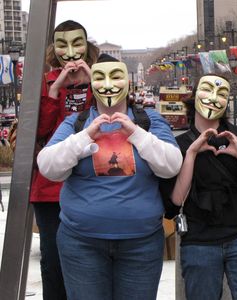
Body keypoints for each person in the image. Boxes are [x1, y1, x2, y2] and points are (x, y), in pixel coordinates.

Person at [37, 54, 182, 300]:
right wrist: (85, 136)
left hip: (141, 245)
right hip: (81, 244)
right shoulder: (76, 123)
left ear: (128, 80)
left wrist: (136, 133)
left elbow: (171, 165)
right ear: (92, 83)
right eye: (100, 77)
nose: (108, 84)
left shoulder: (150, 120)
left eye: (115, 76)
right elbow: (48, 166)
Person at [171, 74, 237, 300]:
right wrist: (192, 154)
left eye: (222, 94)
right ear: (194, 95)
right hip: (199, 242)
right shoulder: (179, 144)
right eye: (206, 90)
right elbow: (176, 200)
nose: (213, 98)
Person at [24, 20, 99, 300]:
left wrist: (93, 81)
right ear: (53, 49)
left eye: (76, 43)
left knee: (91, 262)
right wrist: (55, 91)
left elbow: (110, 117)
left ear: (87, 44)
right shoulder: (43, 82)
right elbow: (39, 132)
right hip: (50, 190)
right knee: (53, 262)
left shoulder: (100, 77)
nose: (70, 52)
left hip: (92, 182)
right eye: (62, 44)